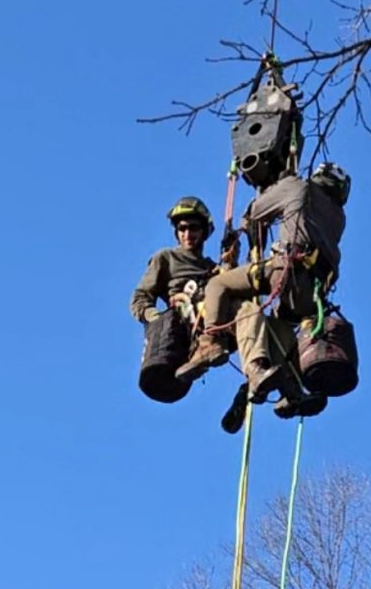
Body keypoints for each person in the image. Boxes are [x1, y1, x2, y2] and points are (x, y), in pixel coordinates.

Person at [176, 164, 350, 409]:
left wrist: (272, 191)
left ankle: (210, 342)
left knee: (218, 284)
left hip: (285, 270)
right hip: (310, 297)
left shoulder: (300, 187)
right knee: (278, 328)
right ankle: (289, 391)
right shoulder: (338, 218)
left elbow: (256, 212)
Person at [130, 197, 219, 330]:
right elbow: (140, 298)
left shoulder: (211, 267)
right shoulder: (166, 258)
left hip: (210, 326)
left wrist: (231, 260)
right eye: (182, 229)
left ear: (204, 231)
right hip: (183, 325)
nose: (187, 234)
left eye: (193, 228)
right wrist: (159, 319)